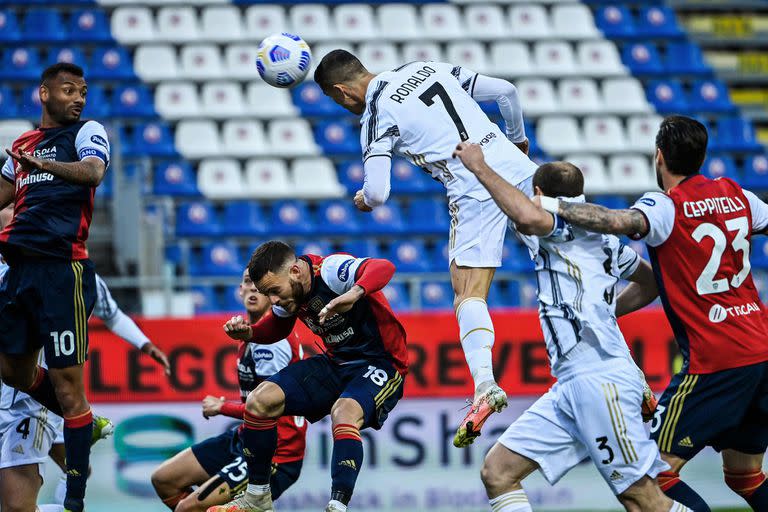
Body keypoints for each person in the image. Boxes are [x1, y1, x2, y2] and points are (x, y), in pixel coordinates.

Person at [535, 115, 768, 511]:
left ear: (659, 157)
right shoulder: (739, 195)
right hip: (761, 350)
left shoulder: (665, 206)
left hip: (717, 361)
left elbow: (616, 222)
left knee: (650, 474)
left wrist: (552, 205)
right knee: (745, 476)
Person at [314, 50, 538, 446]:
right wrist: (518, 140)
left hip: (474, 189)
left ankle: (485, 384)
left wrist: (364, 199)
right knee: (570, 264)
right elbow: (506, 91)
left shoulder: (376, 113)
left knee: (468, 294)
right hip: (518, 169)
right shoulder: (424, 67)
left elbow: (380, 193)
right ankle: (624, 367)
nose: (343, 106)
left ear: (342, 91)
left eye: (336, 101)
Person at [453, 142, 689, 512]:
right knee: (498, 471)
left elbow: (528, 217)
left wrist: (479, 166)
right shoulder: (608, 240)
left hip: (600, 381)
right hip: (571, 386)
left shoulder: (555, 224)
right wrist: (606, 312)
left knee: (643, 502)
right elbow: (651, 283)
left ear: (540, 196)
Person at [209, 241, 407, 512]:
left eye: (274, 292)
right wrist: (250, 333)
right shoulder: (288, 294)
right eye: (269, 294)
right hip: (336, 363)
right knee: (259, 401)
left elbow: (384, 266)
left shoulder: (330, 271)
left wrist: (355, 293)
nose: (274, 301)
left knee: (344, 411)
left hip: (381, 363)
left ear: (294, 271)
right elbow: (277, 327)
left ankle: (337, 505)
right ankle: (257, 498)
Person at [0, 62, 112, 512]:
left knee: (69, 388)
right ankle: (84, 420)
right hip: (18, 271)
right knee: (12, 373)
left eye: (83, 91)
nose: (79, 98)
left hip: (61, 271)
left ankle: (77, 497)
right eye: (69, 91)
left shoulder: (86, 132)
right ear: (44, 94)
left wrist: (44, 163)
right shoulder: (21, 146)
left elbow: (93, 173)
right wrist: (26, 163)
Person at [151, 268, 307, 512]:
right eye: (248, 282)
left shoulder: (272, 343)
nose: (253, 288)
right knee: (164, 480)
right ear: (240, 290)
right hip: (245, 438)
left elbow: (268, 409)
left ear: (272, 294)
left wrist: (220, 407)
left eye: (260, 285)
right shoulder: (250, 334)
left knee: (187, 509)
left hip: (275, 454)